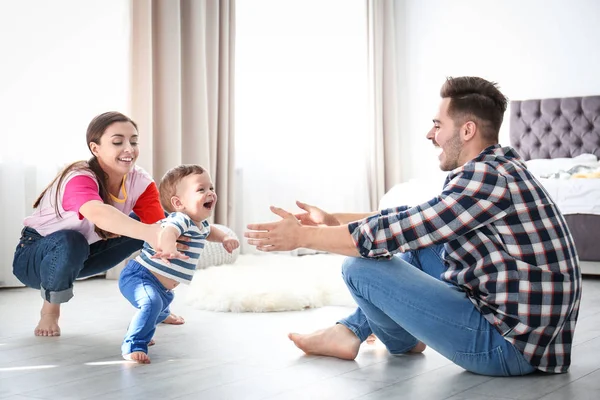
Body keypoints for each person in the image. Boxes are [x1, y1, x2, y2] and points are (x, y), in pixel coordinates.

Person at [245, 76, 582, 376]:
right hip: (534, 340)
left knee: (358, 268)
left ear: (467, 130)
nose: (430, 134)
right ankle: (350, 332)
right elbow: (418, 218)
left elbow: (398, 230)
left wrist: (303, 236)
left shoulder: (485, 178)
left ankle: (391, 339)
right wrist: (335, 221)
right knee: (425, 243)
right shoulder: (499, 166)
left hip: (509, 348)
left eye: (438, 124)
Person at [12, 111, 188, 337]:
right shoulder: (78, 176)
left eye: (134, 141)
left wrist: (169, 241)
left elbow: (159, 229)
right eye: (118, 142)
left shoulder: (140, 180)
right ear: (95, 148)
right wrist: (152, 232)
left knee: (164, 227)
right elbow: (98, 213)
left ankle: (157, 306)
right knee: (70, 239)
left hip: (85, 254)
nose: (129, 148)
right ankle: (50, 312)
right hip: (35, 258)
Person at [119, 164, 239, 363]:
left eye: (211, 188)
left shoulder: (201, 224)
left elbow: (211, 231)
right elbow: (168, 232)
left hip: (162, 288)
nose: (210, 193)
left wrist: (225, 238)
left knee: (159, 304)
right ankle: (133, 344)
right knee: (151, 303)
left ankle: (154, 317)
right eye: (201, 190)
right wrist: (169, 248)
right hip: (140, 276)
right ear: (178, 202)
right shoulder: (179, 219)